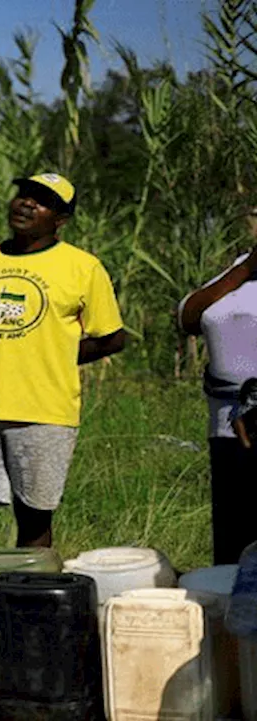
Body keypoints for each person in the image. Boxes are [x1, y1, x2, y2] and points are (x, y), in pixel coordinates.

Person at [0, 173, 126, 559]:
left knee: (34, 517)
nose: (27, 204)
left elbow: (113, 336)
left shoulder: (83, 268)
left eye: (42, 200)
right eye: (24, 195)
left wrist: (56, 352)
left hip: (45, 412)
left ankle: (29, 605)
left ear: (61, 219)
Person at [178, 207, 257, 565]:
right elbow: (188, 317)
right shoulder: (243, 267)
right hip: (226, 423)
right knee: (233, 536)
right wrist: (245, 268)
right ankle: (232, 614)